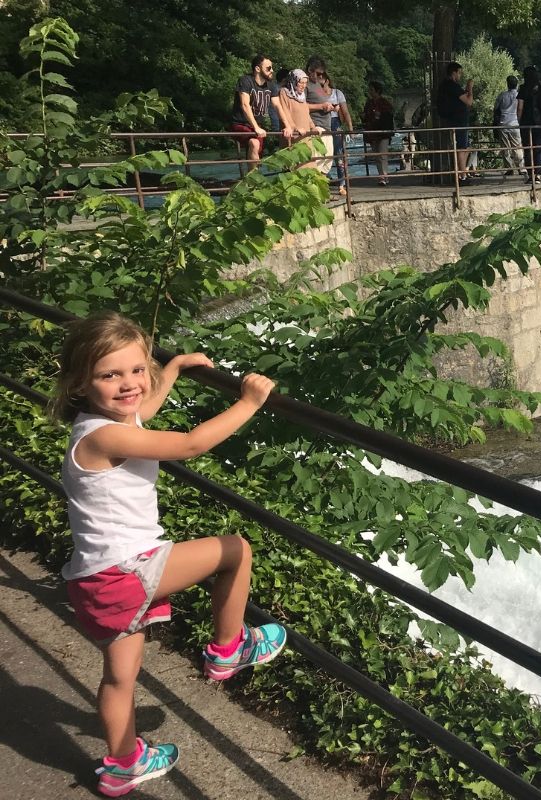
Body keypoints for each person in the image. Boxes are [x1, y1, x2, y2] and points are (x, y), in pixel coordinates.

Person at [48, 312, 286, 797]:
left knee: (119, 678)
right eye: (110, 375)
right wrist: (249, 402)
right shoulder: (104, 436)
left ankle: (122, 764)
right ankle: (228, 649)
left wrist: (170, 370)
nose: (129, 384)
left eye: (137, 370)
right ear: (80, 381)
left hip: (92, 580)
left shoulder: (100, 425)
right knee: (235, 550)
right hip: (125, 572)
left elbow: (141, 413)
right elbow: (190, 443)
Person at [229, 54, 289, 167]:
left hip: (258, 126)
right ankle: (253, 181)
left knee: (257, 152)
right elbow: (245, 105)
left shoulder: (271, 86)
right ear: (257, 69)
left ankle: (252, 178)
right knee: (254, 143)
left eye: (272, 67)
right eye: (268, 68)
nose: (272, 70)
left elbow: (277, 105)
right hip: (240, 123)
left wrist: (287, 125)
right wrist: (256, 127)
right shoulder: (246, 81)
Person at [436, 61, 474, 184]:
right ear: (454, 72)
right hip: (459, 120)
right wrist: (470, 88)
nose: (460, 75)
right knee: (462, 148)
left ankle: (461, 172)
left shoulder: (444, 86)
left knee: (466, 147)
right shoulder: (453, 86)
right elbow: (468, 102)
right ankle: (462, 175)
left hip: (453, 119)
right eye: (459, 73)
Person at [276, 69, 322, 170]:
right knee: (295, 169)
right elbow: (285, 112)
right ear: (294, 81)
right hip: (293, 136)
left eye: (305, 83)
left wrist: (313, 127)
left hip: (305, 136)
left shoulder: (302, 96)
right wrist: (295, 128)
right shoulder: (284, 92)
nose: (304, 85)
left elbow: (306, 113)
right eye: (301, 82)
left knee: (309, 168)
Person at [517, 65, 541, 183]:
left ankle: (530, 174)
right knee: (539, 149)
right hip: (540, 124)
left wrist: (519, 121)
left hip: (526, 124)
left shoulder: (523, 89)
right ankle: (538, 175)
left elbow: (520, 108)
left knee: (528, 148)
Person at [304, 57, 337, 179]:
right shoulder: (305, 84)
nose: (320, 76)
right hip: (316, 125)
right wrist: (321, 106)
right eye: (318, 73)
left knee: (328, 159)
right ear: (310, 70)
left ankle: (322, 188)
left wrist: (331, 107)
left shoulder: (317, 84)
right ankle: (316, 189)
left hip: (326, 126)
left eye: (322, 74)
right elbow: (301, 106)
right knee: (318, 159)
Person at [362, 80, 395, 185]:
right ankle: (382, 176)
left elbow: (389, 116)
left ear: (377, 91)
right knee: (377, 156)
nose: (370, 92)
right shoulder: (369, 103)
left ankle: (384, 176)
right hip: (373, 132)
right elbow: (365, 116)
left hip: (383, 132)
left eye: (372, 90)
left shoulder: (384, 103)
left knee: (382, 155)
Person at [325, 75, 354, 196]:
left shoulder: (337, 93)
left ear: (327, 80)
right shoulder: (315, 93)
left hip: (335, 123)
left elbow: (345, 112)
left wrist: (350, 127)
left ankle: (341, 184)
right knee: (324, 154)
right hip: (322, 123)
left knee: (339, 154)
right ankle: (325, 182)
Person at [493, 74, 522, 176]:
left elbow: (496, 109)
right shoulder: (519, 96)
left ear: (507, 84)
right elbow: (520, 109)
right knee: (517, 147)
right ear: (516, 84)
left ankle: (509, 168)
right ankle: (521, 168)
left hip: (503, 123)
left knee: (505, 148)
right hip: (515, 124)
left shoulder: (502, 95)